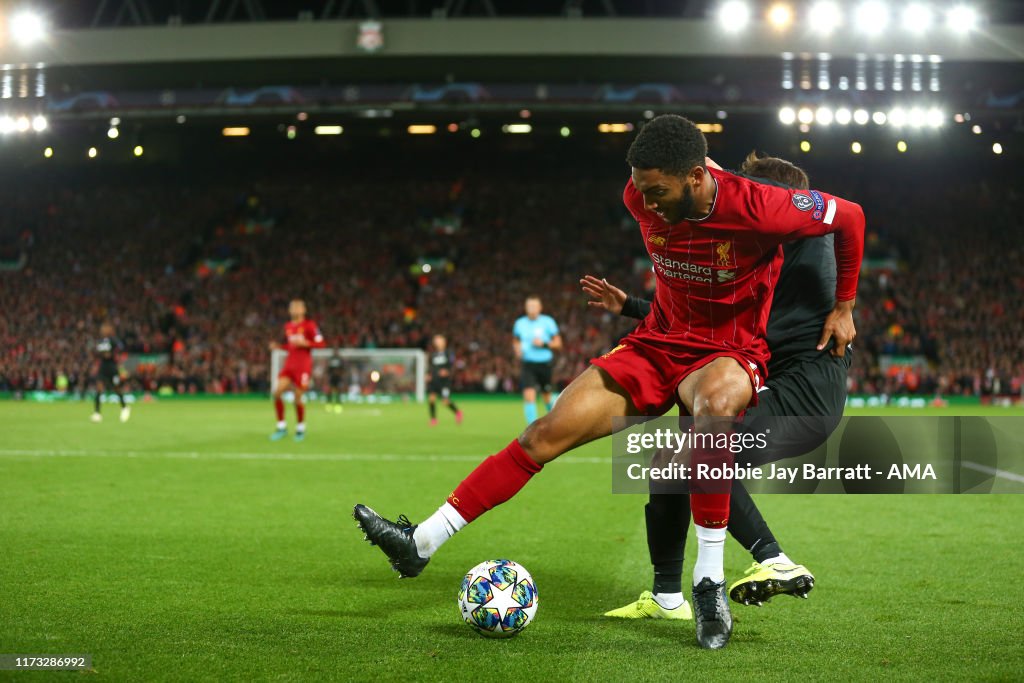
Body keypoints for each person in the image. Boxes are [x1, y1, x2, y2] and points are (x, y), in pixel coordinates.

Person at [354, 115, 864, 649]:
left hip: (729, 351)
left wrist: (845, 306)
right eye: (641, 190)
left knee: (713, 413)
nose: (647, 203)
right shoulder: (638, 195)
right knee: (546, 432)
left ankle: (708, 583)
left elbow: (849, 217)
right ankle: (421, 542)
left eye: (659, 191)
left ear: (694, 177)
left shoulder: (760, 206)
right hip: (659, 341)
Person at [584, 151, 852, 622]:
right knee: (670, 463)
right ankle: (666, 598)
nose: (739, 203)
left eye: (753, 194)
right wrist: (632, 307)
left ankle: (774, 560)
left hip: (803, 394)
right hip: (788, 386)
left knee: (695, 459)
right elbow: (703, 324)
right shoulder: (779, 243)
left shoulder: (797, 241)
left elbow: (713, 325)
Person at [269, 299, 325, 442]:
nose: (294, 309)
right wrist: (280, 347)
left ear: (303, 310)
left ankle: (300, 428)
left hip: (303, 366)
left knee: (297, 397)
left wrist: (306, 343)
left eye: (297, 307)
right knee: (277, 392)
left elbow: (321, 343)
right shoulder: (288, 326)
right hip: (289, 365)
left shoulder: (310, 325)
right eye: (292, 307)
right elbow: (291, 346)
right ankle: (281, 426)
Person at [512, 296, 562, 425]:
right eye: (529, 306)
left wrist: (544, 344)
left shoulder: (548, 322)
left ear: (540, 308)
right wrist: (517, 349)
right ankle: (532, 430)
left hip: (545, 364)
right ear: (525, 308)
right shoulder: (519, 323)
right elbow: (516, 340)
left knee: (547, 398)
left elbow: (558, 344)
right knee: (529, 395)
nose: (532, 309)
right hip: (528, 364)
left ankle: (556, 422)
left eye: (534, 306)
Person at [90, 322, 130, 423]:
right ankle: (97, 413)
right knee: (99, 388)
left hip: (112, 366)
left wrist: (120, 365)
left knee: (116, 388)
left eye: (105, 328)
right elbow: (97, 353)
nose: (103, 330)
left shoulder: (114, 340)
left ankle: (124, 407)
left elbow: (121, 349)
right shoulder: (99, 341)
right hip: (103, 367)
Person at [427, 334, 463, 426]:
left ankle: (457, 412)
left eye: (439, 340)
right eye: (436, 341)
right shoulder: (433, 354)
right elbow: (431, 367)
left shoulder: (448, 352)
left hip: (444, 382)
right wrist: (428, 374)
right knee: (431, 398)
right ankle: (433, 419)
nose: (437, 342)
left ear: (444, 342)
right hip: (434, 380)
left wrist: (447, 371)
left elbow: (452, 364)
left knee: (445, 401)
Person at [326, 348, 345, 415]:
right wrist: (329, 375)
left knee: (338, 391)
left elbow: (343, 368)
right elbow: (328, 369)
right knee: (329, 391)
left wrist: (340, 374)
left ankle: (338, 405)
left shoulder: (340, 359)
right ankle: (329, 405)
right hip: (332, 378)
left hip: (338, 378)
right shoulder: (331, 359)